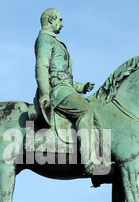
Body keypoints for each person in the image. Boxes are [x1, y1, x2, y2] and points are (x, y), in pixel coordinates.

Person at [34, 8, 111, 175]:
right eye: (59, 20)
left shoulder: (54, 40)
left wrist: (82, 87)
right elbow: (42, 67)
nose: (62, 24)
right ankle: (89, 162)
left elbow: (64, 78)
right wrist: (45, 94)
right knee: (86, 110)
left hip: (64, 88)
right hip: (56, 91)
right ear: (50, 20)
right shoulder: (45, 39)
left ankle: (99, 155)